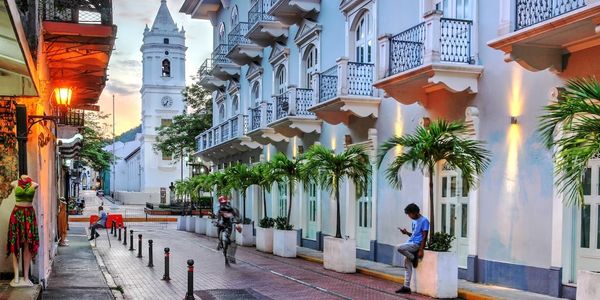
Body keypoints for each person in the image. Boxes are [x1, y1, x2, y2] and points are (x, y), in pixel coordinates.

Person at [395, 203, 429, 294]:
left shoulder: (424, 221)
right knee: (407, 266)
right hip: (411, 242)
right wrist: (406, 233)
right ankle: (406, 287)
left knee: (398, 247)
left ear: (416, 212)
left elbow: (424, 236)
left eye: (410, 214)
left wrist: (421, 250)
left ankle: (413, 258)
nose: (409, 216)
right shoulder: (414, 221)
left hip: (416, 245)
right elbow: (415, 235)